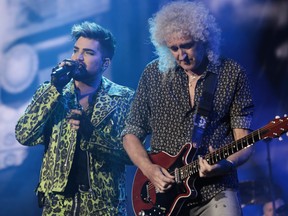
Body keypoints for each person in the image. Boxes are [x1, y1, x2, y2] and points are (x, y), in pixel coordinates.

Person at [122, 1, 254, 216]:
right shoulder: (153, 75)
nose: (181, 55)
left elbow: (245, 144)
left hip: (216, 188)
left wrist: (226, 165)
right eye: (174, 48)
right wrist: (149, 170)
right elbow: (130, 133)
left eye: (187, 45)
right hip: (164, 195)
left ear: (204, 40)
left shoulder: (231, 73)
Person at [15, 21, 134, 216]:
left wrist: (93, 135)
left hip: (103, 207)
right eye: (76, 50)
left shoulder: (124, 98)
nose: (78, 58)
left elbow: (133, 155)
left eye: (88, 53)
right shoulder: (52, 93)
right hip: (57, 207)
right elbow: (23, 135)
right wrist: (54, 89)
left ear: (105, 63)